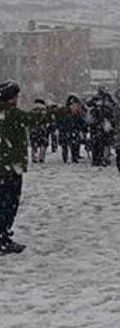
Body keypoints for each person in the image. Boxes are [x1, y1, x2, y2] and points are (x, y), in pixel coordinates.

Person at [0, 80, 80, 254]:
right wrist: (66, 110)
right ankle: (2, 238)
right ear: (12, 98)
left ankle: (3, 237)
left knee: (3, 203)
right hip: (10, 168)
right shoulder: (12, 114)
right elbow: (38, 118)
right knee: (8, 204)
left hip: (4, 167)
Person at [57, 95, 86, 164]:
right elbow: (59, 122)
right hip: (66, 131)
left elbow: (81, 122)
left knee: (74, 145)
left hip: (72, 131)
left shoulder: (76, 113)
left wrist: (82, 127)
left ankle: (74, 158)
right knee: (66, 146)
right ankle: (67, 158)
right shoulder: (65, 112)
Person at [28, 99, 50, 164]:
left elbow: (28, 121)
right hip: (43, 130)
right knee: (43, 144)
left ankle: (34, 158)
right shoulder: (45, 112)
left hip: (33, 130)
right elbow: (48, 120)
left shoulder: (31, 111)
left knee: (34, 145)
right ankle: (41, 158)